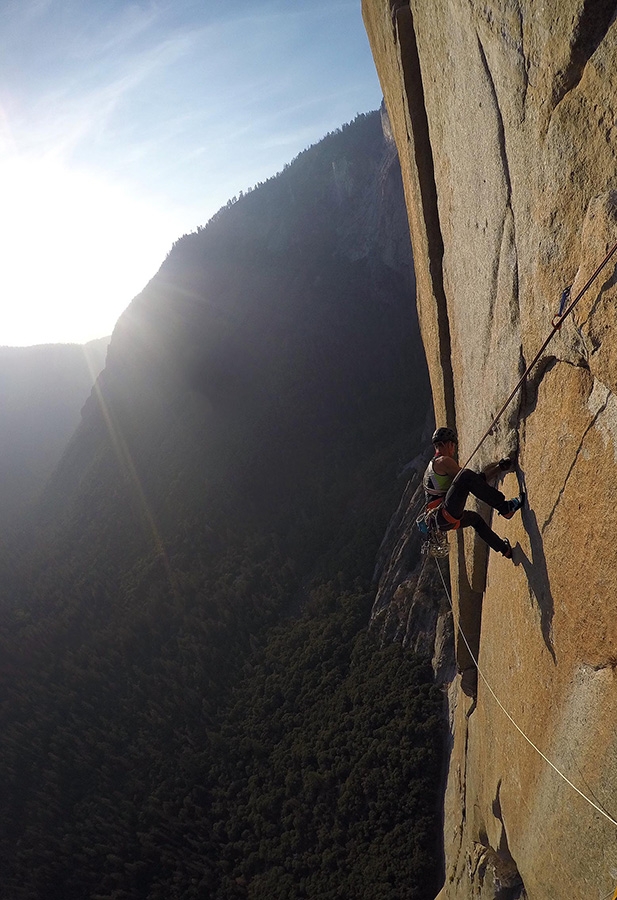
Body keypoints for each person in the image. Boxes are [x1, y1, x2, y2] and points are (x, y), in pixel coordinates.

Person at [423, 426, 522, 558]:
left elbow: (475, 481)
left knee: (475, 520)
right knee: (464, 476)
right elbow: (468, 479)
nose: (453, 450)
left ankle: (505, 550)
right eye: (453, 446)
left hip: (441, 520)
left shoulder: (431, 466)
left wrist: (498, 468)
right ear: (447, 444)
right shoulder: (443, 461)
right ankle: (505, 508)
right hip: (444, 513)